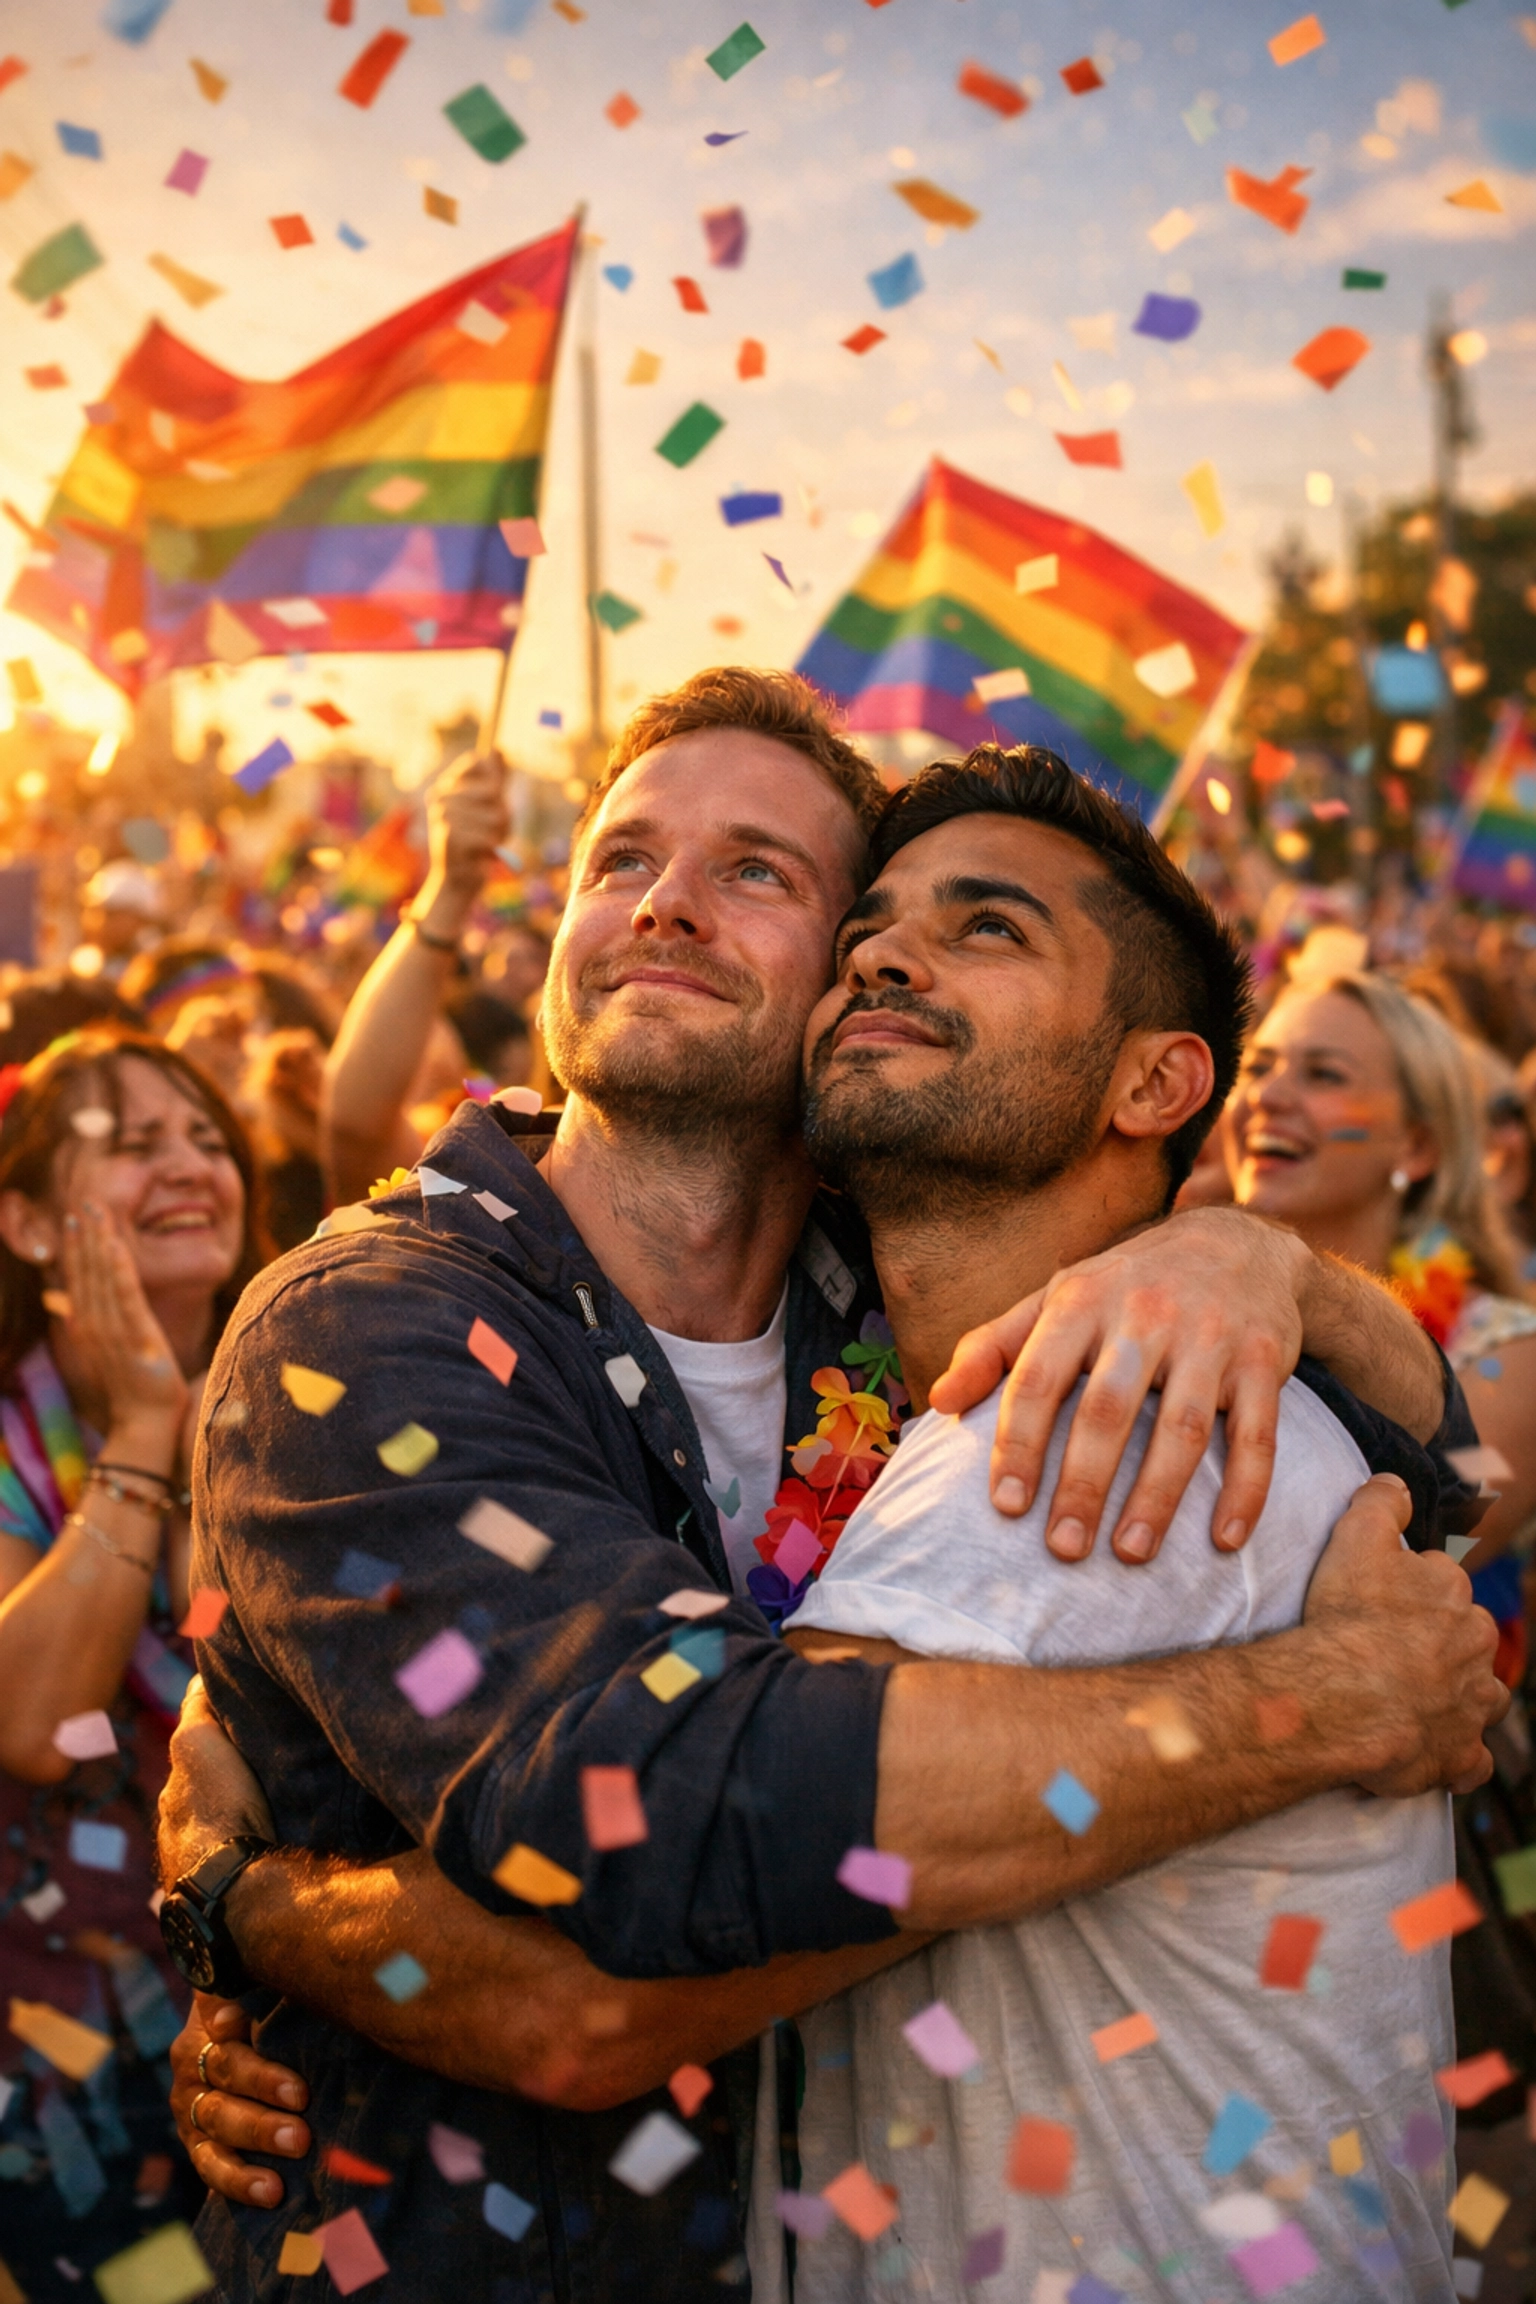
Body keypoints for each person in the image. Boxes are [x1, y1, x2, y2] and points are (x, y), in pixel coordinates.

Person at [153, 674, 1497, 2302]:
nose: (665, 899)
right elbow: (629, 1893)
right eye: (621, 855)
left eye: (761, 872)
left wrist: (1251, 1254)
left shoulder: (946, 1316)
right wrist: (1324, 1700)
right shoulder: (372, 1327)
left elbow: (1456, 1452)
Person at [784, 751, 1468, 2301]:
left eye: (990, 929)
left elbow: (663, 1932)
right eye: (865, 936)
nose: (881, 958)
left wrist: (252, 1902)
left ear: (1155, 1086)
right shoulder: (956, 1401)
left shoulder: (1112, 1436)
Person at [0, 1029, 268, 2278]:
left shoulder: (304, 1400)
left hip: (270, 2033)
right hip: (64, 2067)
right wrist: (146, 1427)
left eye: (207, 1141)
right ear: (29, 1223)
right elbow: (39, 1725)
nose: (187, 1167)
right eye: (134, 1143)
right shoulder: (9, 1438)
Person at [1224, 973, 1536, 1667]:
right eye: (1263, 1066)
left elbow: (1444, 1538)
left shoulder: (1506, 1349)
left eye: (1323, 1074)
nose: (1269, 1097)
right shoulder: (1189, 1280)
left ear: (1416, 1149)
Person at [321, 750, 512, 1206]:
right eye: (624, 862)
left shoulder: (545, 1152)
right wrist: (450, 890)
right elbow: (356, 1128)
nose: (661, 906)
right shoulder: (475, 1162)